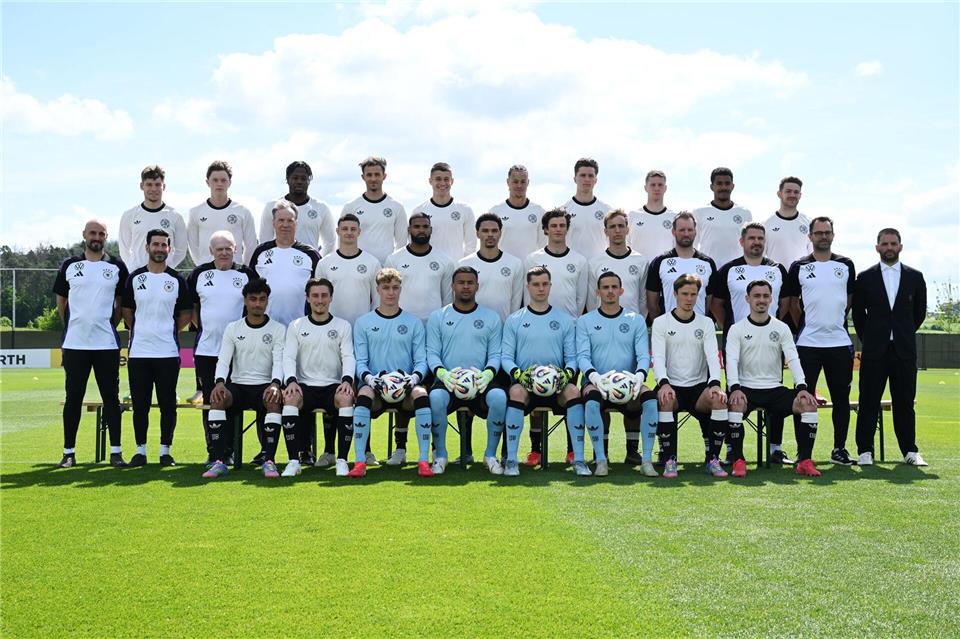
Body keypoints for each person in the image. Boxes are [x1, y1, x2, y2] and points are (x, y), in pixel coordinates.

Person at [710, 222, 791, 464]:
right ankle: (733, 450)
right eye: (752, 238)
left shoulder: (777, 269)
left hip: (771, 341)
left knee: (775, 388)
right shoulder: (728, 270)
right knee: (735, 392)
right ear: (742, 241)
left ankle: (775, 448)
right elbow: (716, 304)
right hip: (739, 341)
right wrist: (734, 329)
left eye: (760, 238)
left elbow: (786, 303)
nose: (756, 242)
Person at [54, 219, 130, 468]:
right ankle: (68, 452)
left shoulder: (116, 265)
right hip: (75, 344)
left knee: (111, 397)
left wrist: (108, 323)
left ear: (106, 237)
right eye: (92, 233)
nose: (96, 237)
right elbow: (61, 302)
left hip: (106, 344)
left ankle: (116, 452)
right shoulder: (69, 265)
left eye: (101, 233)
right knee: (73, 397)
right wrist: (75, 325)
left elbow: (121, 304)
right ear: (84, 235)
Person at [725, 280, 821, 477]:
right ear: (748, 299)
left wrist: (802, 386)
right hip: (745, 388)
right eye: (756, 296)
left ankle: (804, 460)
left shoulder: (782, 328)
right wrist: (734, 387)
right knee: (734, 405)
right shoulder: (737, 329)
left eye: (765, 296)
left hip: (774, 389)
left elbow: (793, 358)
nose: (761, 300)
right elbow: (731, 361)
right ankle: (738, 460)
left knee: (808, 404)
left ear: (771, 299)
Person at [784, 216, 857, 465]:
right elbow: (793, 303)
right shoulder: (799, 266)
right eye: (819, 233)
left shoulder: (846, 264)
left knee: (841, 400)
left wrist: (833, 319)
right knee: (803, 398)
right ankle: (804, 453)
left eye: (827, 232)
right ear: (810, 236)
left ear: (833, 235)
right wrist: (807, 323)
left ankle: (839, 449)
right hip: (807, 345)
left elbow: (848, 299)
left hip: (839, 343)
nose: (823, 236)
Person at [852, 228, 928, 466]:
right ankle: (865, 451)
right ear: (877, 248)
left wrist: (902, 334)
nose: (889, 247)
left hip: (904, 351)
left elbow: (919, 314)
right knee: (868, 401)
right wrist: (873, 338)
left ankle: (910, 451)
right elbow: (858, 316)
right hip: (875, 351)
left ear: (900, 247)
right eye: (884, 243)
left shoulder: (915, 277)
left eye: (893, 243)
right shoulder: (865, 278)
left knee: (905, 402)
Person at [349, 268, 432, 478]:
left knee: (421, 394)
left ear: (400, 290)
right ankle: (360, 461)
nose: (391, 292)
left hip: (405, 389)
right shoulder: (364, 323)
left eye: (395, 288)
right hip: (376, 387)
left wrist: (413, 379)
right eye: (386, 288)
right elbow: (361, 362)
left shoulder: (413, 323)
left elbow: (421, 362)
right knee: (364, 394)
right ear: (378, 290)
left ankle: (423, 461)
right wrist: (371, 379)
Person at [500, 266, 583, 477]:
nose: (541, 288)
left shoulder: (563, 320)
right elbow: (506, 358)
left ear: (550, 286)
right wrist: (519, 375)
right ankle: (511, 459)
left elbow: (572, 358)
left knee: (573, 391)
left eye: (545, 284)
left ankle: (579, 458)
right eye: (536, 284)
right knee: (516, 392)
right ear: (528, 287)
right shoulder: (515, 320)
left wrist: (566, 374)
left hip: (556, 385)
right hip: (526, 384)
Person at [201, 278, 287, 479]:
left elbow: (279, 361)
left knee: (274, 400)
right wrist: (220, 382)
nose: (257, 304)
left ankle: (269, 461)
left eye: (262, 299)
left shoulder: (277, 329)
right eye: (253, 299)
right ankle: (219, 460)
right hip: (238, 385)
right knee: (217, 398)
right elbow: (223, 359)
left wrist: (275, 384)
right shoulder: (233, 328)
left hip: (265, 385)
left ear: (267, 301)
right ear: (245, 301)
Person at [121, 229, 192, 467]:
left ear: (169, 249)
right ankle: (140, 451)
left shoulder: (176, 280)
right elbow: (127, 311)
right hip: (139, 353)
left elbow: (185, 314)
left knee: (167, 405)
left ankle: (165, 451)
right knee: (140, 405)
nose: (160, 248)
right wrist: (141, 330)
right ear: (147, 247)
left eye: (164, 245)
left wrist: (168, 331)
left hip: (167, 353)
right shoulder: (135, 278)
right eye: (156, 244)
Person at [576, 272, 659, 477]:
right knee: (592, 399)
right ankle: (601, 459)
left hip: (629, 382)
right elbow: (583, 357)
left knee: (649, 398)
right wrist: (596, 378)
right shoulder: (586, 321)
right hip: (596, 381)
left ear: (621, 291)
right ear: (598, 292)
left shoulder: (636, 320)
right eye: (605, 287)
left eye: (614, 287)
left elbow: (643, 356)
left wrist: (638, 377)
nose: (610, 291)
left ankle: (645, 459)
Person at [427, 267, 506, 474]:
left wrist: (487, 374)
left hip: (480, 381)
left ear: (477, 286)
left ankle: (490, 455)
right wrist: (443, 374)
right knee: (435, 399)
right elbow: (432, 353)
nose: (465, 286)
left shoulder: (491, 317)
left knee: (499, 397)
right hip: (449, 381)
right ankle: (441, 455)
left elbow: (496, 354)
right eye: (461, 282)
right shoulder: (438, 317)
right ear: (452, 286)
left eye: (470, 282)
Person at [186, 231, 255, 465]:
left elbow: (253, 309)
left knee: (233, 399)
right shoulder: (199, 274)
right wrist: (207, 329)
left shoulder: (245, 274)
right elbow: (192, 309)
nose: (224, 253)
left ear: (235, 249)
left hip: (239, 352)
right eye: (219, 249)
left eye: (228, 248)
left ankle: (231, 449)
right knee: (211, 401)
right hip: (207, 351)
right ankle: (214, 450)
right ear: (211, 251)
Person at [651, 275, 729, 478]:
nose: (689, 299)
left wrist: (715, 384)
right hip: (672, 386)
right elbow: (658, 358)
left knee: (719, 400)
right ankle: (669, 459)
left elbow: (713, 356)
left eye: (693, 294)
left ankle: (713, 459)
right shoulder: (661, 322)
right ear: (675, 294)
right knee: (665, 399)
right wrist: (664, 384)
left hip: (698, 389)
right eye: (685, 294)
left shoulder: (706, 323)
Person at [282, 278, 357, 477]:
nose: (320, 300)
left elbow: (348, 356)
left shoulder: (343, 326)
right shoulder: (296, 325)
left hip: (333, 386)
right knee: (289, 398)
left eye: (324, 295)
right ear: (307, 298)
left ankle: (341, 460)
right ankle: (293, 461)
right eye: (315, 296)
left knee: (346, 398)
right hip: (305, 385)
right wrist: (290, 381)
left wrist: (347, 380)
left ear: (331, 298)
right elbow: (288, 356)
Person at [249, 200, 321, 327]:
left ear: (296, 223)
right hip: (266, 326)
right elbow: (251, 290)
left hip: (300, 327)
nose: (285, 225)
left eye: (290, 220)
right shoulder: (261, 252)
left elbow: (320, 291)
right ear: (273, 223)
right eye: (281, 220)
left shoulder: (310, 254)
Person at [384, 212, 455, 322]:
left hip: (433, 324)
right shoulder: (393, 260)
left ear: (430, 230)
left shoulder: (445, 261)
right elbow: (386, 295)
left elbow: (448, 299)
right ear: (409, 230)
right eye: (416, 227)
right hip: (402, 323)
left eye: (425, 227)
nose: (421, 230)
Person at [645, 212, 717, 319]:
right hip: (669, 330)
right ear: (674, 232)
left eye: (690, 230)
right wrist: (661, 325)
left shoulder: (708, 263)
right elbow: (652, 304)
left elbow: (709, 302)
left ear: (695, 232)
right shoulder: (660, 262)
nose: (686, 234)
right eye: (682, 230)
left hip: (698, 329)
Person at [187, 160, 258, 265]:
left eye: (223, 180)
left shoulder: (243, 212)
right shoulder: (195, 212)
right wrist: (202, 266)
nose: (219, 184)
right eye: (215, 180)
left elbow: (251, 245)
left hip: (235, 271)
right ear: (207, 182)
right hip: (207, 272)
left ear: (229, 182)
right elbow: (193, 245)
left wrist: (243, 268)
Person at [315, 213, 382, 324]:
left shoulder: (372, 262)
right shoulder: (324, 263)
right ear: (338, 231)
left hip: (362, 327)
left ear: (359, 232)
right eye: (345, 229)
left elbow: (377, 299)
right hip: (332, 327)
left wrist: (372, 323)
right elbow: (317, 298)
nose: (349, 232)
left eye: (353, 229)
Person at [258, 161, 335, 255]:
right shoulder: (271, 206)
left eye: (303, 178)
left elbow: (330, 243)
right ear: (287, 179)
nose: (299, 181)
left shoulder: (321, 208)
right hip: (278, 264)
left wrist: (317, 262)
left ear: (309, 180)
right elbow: (264, 241)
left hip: (309, 267)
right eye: (295, 178)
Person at [119, 165, 187, 270]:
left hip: (165, 277)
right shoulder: (129, 215)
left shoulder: (175, 216)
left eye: (157, 184)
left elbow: (181, 251)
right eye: (149, 184)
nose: (154, 189)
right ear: (142, 186)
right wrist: (135, 269)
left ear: (164, 186)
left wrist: (168, 268)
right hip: (138, 277)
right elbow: (124, 249)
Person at [458, 212, 524, 322]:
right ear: (477, 233)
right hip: (472, 327)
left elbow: (515, 303)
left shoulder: (515, 264)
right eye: (485, 231)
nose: (490, 234)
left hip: (503, 328)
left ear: (500, 233)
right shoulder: (464, 264)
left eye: (494, 231)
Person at [340, 156, 407, 263]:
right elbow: (342, 240)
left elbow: (402, 243)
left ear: (384, 176)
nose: (373, 179)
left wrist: (394, 266)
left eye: (377, 174)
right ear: (363, 177)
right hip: (358, 266)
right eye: (369, 175)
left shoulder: (397, 206)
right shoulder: (351, 206)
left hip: (386, 269)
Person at [524, 208, 588, 318]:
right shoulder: (533, 259)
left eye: (562, 225)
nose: (558, 229)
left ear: (567, 229)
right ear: (546, 229)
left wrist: (572, 319)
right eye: (554, 226)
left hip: (569, 323)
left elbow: (581, 298)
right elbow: (527, 296)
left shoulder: (580, 260)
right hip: (539, 321)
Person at [587, 209, 649, 316]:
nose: (617, 230)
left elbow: (643, 299)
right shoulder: (594, 263)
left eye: (621, 226)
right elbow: (591, 300)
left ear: (627, 230)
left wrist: (638, 321)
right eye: (612, 227)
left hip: (632, 324)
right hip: (602, 325)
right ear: (606, 232)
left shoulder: (641, 261)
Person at [411, 162, 476, 261]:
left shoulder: (465, 209)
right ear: (430, 181)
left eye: (446, 179)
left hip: (456, 269)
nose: (442, 183)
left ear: (452, 181)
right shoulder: (419, 210)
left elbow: (471, 244)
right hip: (429, 267)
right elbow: (413, 243)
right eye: (438, 179)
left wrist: (463, 266)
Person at [692, 167, 753, 267]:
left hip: (737, 271)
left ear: (732, 186)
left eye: (727, 183)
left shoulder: (744, 213)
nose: (723, 187)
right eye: (719, 183)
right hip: (707, 269)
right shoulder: (699, 212)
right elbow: (693, 245)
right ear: (712, 187)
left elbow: (749, 244)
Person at [488, 164, 546, 260]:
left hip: (531, 270)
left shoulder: (539, 211)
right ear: (508, 182)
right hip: (504, 268)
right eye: (515, 182)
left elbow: (543, 245)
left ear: (528, 182)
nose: (519, 185)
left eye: (523, 182)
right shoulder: (496, 211)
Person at [563, 157, 612, 259]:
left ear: (596, 180)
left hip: (599, 267)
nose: (587, 179)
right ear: (575, 179)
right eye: (582, 175)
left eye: (590, 176)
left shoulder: (607, 211)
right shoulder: (563, 211)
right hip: (572, 267)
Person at [762, 177, 812, 270]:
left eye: (796, 192)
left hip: (801, 280)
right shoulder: (766, 225)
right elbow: (760, 258)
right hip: (775, 278)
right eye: (788, 191)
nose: (792, 195)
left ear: (800, 195)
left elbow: (813, 257)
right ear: (779, 194)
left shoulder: (809, 224)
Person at [628, 170, 676, 259]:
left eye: (660, 185)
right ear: (645, 188)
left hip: (664, 270)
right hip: (639, 269)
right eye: (653, 185)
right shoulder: (633, 216)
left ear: (665, 188)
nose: (656, 188)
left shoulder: (674, 217)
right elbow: (626, 245)